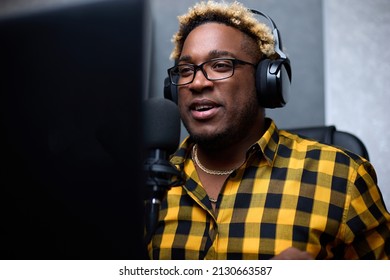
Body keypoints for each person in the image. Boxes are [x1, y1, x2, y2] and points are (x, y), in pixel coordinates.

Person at [148, 0, 390, 260]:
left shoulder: (344, 177)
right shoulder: (145, 185)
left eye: (220, 65)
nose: (196, 83)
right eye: (185, 70)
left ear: (266, 81)